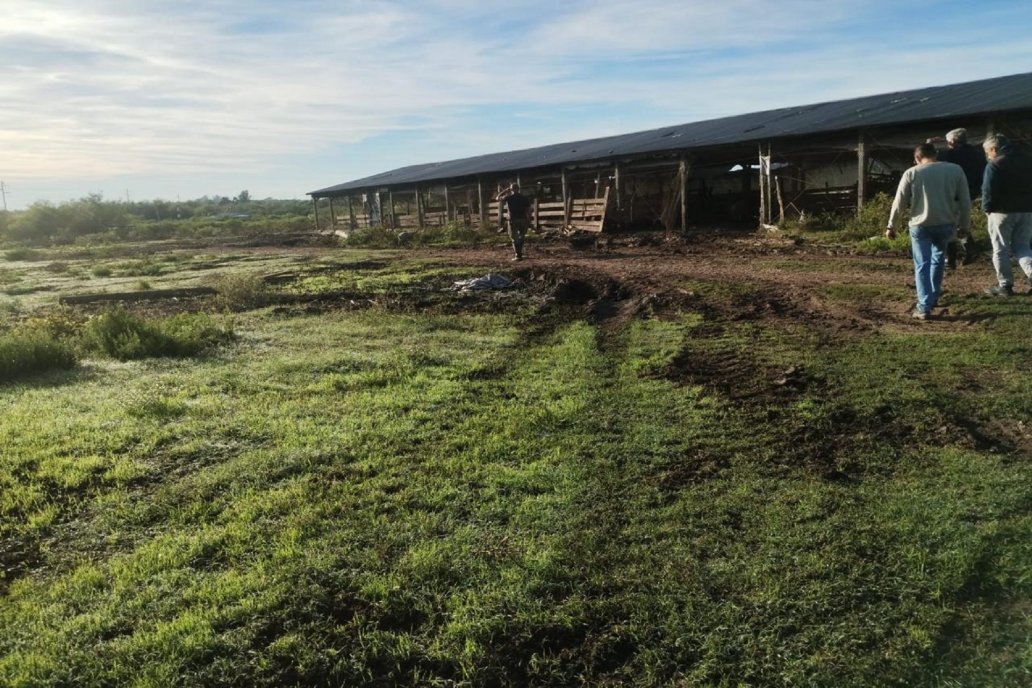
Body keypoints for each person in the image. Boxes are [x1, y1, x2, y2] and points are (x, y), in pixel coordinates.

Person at [886, 142, 971, 320]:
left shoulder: (912, 172)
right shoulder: (956, 170)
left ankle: (924, 306)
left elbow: (899, 201)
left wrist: (891, 225)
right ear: (936, 154)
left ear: (917, 158)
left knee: (921, 264)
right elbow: (965, 201)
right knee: (938, 260)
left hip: (920, 225)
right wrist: (965, 227)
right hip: (946, 224)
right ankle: (933, 295)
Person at [980, 133, 1032, 296]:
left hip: (1002, 211)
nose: (987, 155)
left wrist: (987, 209)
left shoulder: (995, 164)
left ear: (994, 149)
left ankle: (1005, 285)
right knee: (1022, 246)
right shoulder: (1027, 159)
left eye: (987, 152)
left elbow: (988, 191)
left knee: (1000, 249)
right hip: (1026, 210)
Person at [936, 128, 985, 268]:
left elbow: (931, 163)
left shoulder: (950, 155)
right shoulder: (977, 154)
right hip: (970, 192)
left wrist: (928, 144)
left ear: (952, 141)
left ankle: (950, 258)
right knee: (959, 222)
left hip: (953, 193)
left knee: (949, 223)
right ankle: (969, 250)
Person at [496, 184, 532, 261]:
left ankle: (518, 255)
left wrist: (504, 191)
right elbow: (528, 209)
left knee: (514, 238)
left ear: (511, 189)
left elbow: (497, 198)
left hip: (513, 219)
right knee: (522, 236)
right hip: (523, 219)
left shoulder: (508, 197)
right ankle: (520, 253)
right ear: (518, 189)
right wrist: (529, 219)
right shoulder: (523, 197)